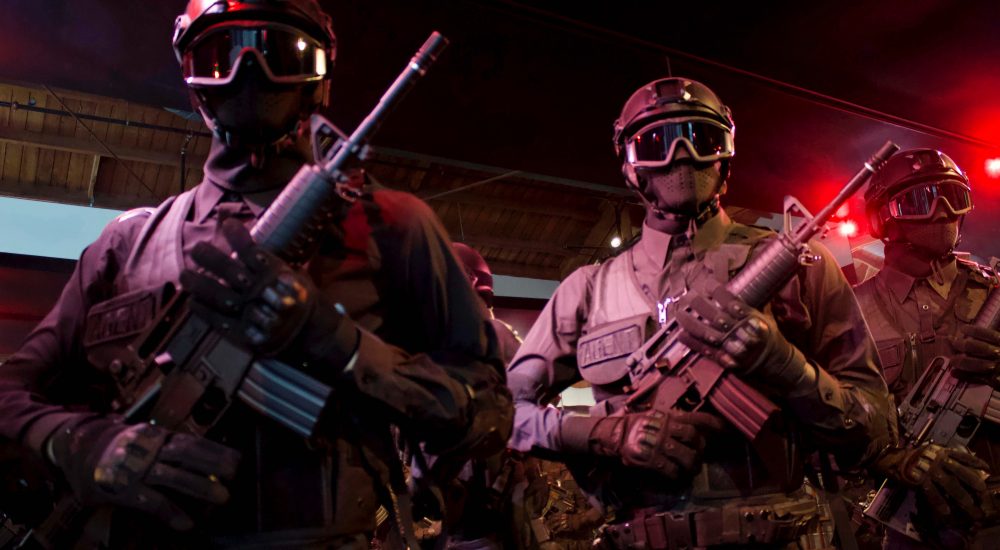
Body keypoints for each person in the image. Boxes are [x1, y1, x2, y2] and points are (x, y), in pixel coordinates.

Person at [0, 0, 510, 547]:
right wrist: (79, 442)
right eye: (220, 55)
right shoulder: (126, 245)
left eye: (281, 53)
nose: (250, 72)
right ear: (192, 79)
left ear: (319, 79)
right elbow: (10, 390)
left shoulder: (394, 228)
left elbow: (489, 416)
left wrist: (340, 346)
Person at [506, 77, 895, 549]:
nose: (683, 156)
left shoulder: (801, 270)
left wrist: (784, 365)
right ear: (630, 166)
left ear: (724, 154)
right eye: (657, 144)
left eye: (702, 138)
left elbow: (876, 430)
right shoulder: (588, 290)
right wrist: (606, 433)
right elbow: (504, 412)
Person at [853, 148, 999, 549]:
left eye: (954, 196)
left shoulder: (993, 296)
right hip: (902, 521)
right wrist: (893, 458)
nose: (943, 212)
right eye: (920, 200)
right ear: (883, 219)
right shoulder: (852, 309)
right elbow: (831, 420)